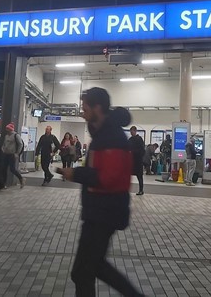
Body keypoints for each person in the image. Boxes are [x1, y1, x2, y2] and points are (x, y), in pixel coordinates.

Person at [56, 87, 143, 297]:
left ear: (98, 108)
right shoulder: (103, 134)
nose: (82, 112)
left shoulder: (111, 137)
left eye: (85, 108)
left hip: (105, 211)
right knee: (88, 269)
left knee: (85, 270)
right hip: (99, 210)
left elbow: (107, 177)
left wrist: (75, 174)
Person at [0, 123, 26, 188]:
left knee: (12, 169)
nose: (6, 130)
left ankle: (21, 178)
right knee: (3, 169)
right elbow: (4, 144)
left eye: (7, 128)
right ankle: (3, 184)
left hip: (12, 154)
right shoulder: (6, 136)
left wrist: (17, 153)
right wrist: (3, 149)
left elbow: (20, 144)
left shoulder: (16, 135)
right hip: (6, 154)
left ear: (10, 129)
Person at [128, 126, 145, 196]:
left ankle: (141, 190)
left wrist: (133, 152)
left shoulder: (139, 139)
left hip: (138, 160)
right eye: (130, 132)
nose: (131, 133)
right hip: (131, 161)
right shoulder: (130, 139)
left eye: (132, 131)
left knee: (139, 176)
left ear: (135, 131)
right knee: (128, 175)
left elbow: (142, 150)